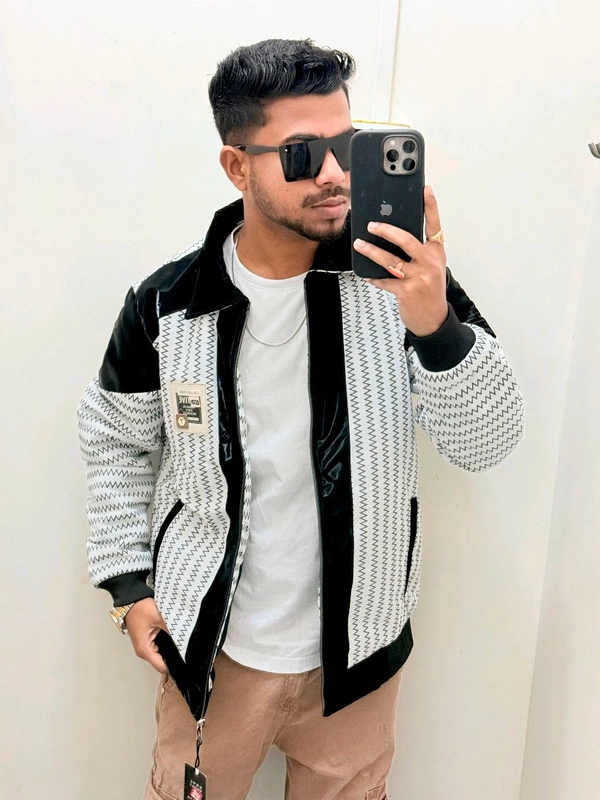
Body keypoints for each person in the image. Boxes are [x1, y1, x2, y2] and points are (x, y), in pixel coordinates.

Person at [76, 38, 524, 800]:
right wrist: (127, 584)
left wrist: (435, 323)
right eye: (301, 154)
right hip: (210, 653)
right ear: (236, 165)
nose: (334, 174)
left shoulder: (401, 282)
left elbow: (488, 440)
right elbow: (114, 441)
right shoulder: (168, 305)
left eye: (345, 145)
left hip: (357, 655)